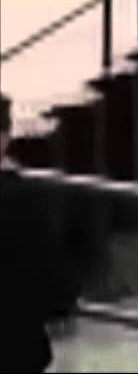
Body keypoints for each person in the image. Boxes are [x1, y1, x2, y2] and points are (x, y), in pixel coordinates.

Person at [0, 103, 80, 373]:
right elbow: (47, 264)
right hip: (15, 345)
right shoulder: (21, 197)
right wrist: (63, 305)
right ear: (6, 138)